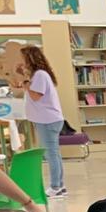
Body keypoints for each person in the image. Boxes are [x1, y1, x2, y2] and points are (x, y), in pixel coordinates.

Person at [17, 46, 67, 198]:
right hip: (48, 119)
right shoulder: (39, 75)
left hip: (47, 120)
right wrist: (24, 77)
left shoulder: (39, 75)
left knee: (51, 153)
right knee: (54, 153)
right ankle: (60, 185)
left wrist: (25, 84)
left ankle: (55, 186)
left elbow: (36, 96)